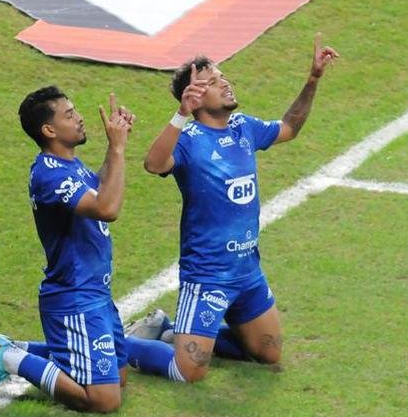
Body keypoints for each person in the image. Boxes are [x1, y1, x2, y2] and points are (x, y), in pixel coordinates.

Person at [140, 36, 339, 382]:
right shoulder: (188, 141)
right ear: (196, 97)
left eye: (222, 77)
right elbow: (154, 165)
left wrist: (313, 80)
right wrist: (180, 116)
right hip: (207, 276)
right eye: (214, 82)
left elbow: (289, 127)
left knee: (268, 352)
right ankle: (120, 343)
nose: (225, 83)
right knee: (189, 372)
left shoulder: (243, 127)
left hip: (247, 272)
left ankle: (169, 331)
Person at [0, 87, 181, 412]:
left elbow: (97, 186)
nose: (80, 117)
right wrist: (115, 148)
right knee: (104, 399)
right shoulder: (49, 174)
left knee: (118, 377)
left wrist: (119, 147)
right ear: (49, 130)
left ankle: (19, 347)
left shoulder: (68, 165)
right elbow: (107, 208)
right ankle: (9, 357)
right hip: (73, 297)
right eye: (69, 114)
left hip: (94, 295)